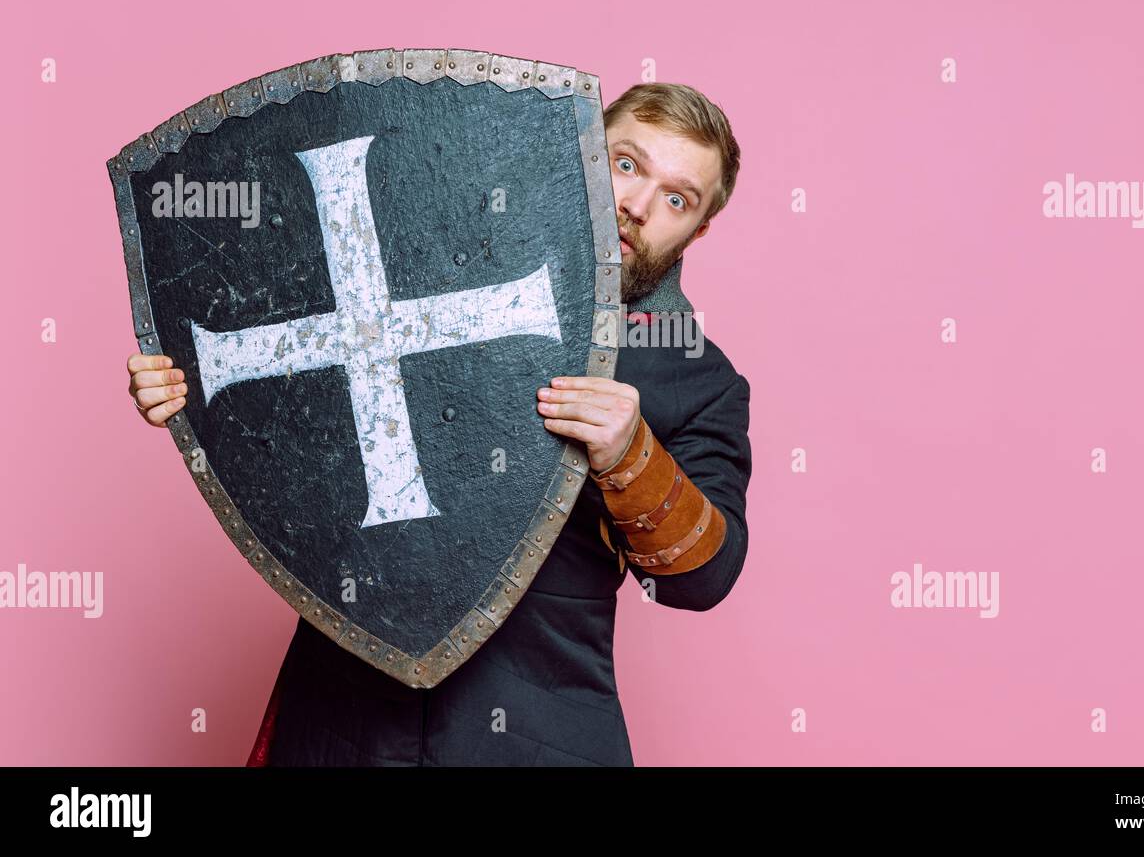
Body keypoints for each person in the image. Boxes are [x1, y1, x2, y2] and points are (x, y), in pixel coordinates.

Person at [125, 82, 751, 766]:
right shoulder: (431, 254)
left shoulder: (698, 379)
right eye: (626, 164)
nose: (635, 205)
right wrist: (190, 382)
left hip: (537, 738)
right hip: (342, 723)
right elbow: (288, 319)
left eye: (677, 198)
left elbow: (703, 579)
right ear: (575, 149)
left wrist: (633, 456)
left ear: (699, 228)